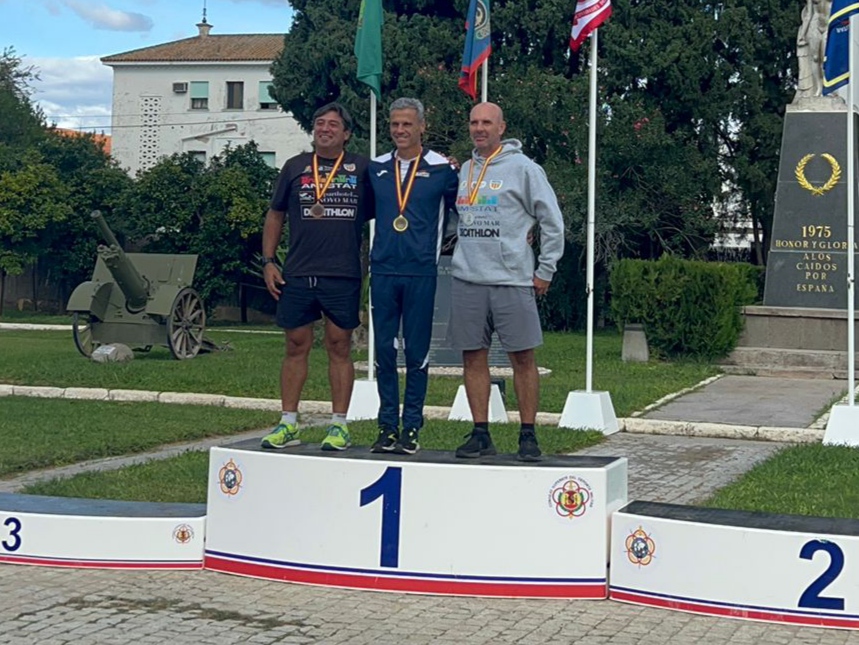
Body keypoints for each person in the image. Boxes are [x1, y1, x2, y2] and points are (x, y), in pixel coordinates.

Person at [448, 102, 565, 462]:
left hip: (513, 279)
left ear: (502, 127)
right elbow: (458, 221)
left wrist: (545, 269)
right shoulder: (465, 170)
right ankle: (480, 432)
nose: (479, 128)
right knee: (472, 357)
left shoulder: (525, 169)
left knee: (522, 358)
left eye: (487, 122)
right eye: (473, 122)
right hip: (468, 277)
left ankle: (528, 434)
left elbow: (552, 221)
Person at [259, 102, 372, 452]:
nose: (325, 129)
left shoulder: (362, 168)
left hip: (342, 273)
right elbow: (275, 214)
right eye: (319, 123)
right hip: (298, 271)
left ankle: (339, 426)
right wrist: (268, 261)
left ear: (347, 133)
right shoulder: (295, 167)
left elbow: (388, 206)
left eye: (333, 125)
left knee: (339, 346)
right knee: (295, 346)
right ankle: (288, 423)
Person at [368, 97, 459, 455]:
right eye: (394, 124)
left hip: (422, 271)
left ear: (422, 126)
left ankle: (412, 427)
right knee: (384, 353)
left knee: (417, 352)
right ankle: (387, 426)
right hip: (384, 270)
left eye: (407, 124)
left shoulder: (442, 170)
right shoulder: (375, 168)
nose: (400, 131)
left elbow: (464, 211)